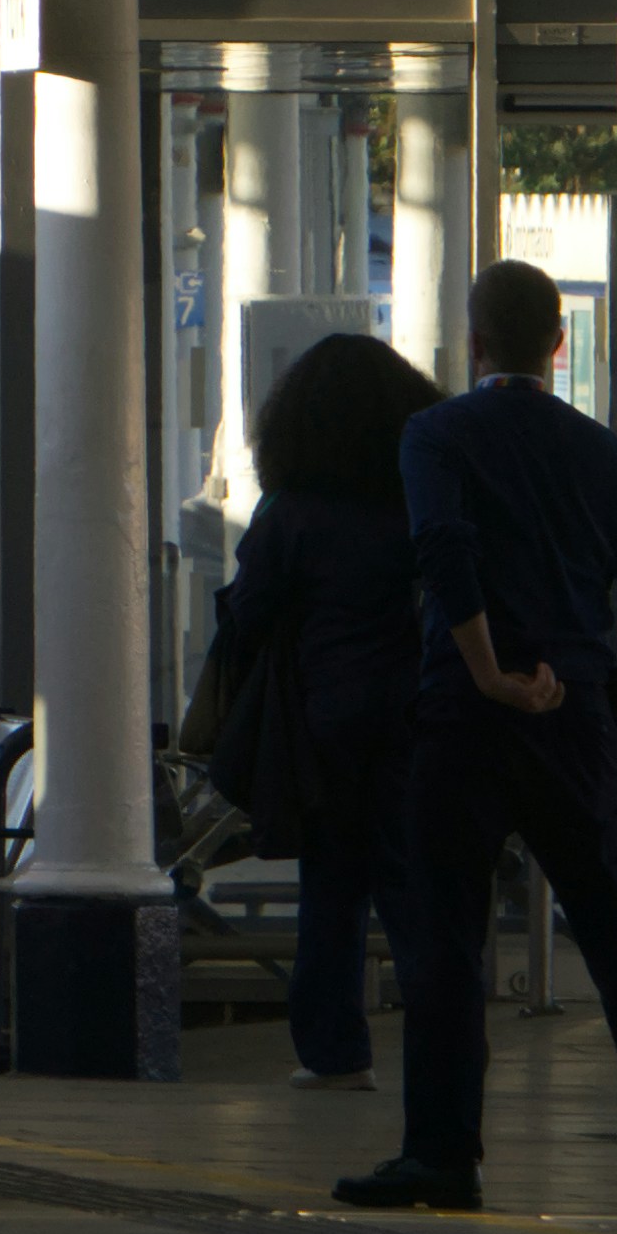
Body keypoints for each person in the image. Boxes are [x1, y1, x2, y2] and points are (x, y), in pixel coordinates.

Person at [336, 258, 617, 1217]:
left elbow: (446, 551)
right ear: (560, 347)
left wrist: (487, 671)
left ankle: (443, 1154)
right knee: (614, 937)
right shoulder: (600, 452)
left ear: (473, 344)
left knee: (444, 937)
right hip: (578, 721)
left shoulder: (433, 436)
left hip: (466, 718)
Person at [196, 334, 437, 1090]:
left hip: (323, 722)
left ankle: (335, 1054)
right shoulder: (415, 499)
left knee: (331, 890)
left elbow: (250, 612)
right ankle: (445, 1042)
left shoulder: (292, 510)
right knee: (411, 889)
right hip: (412, 716)